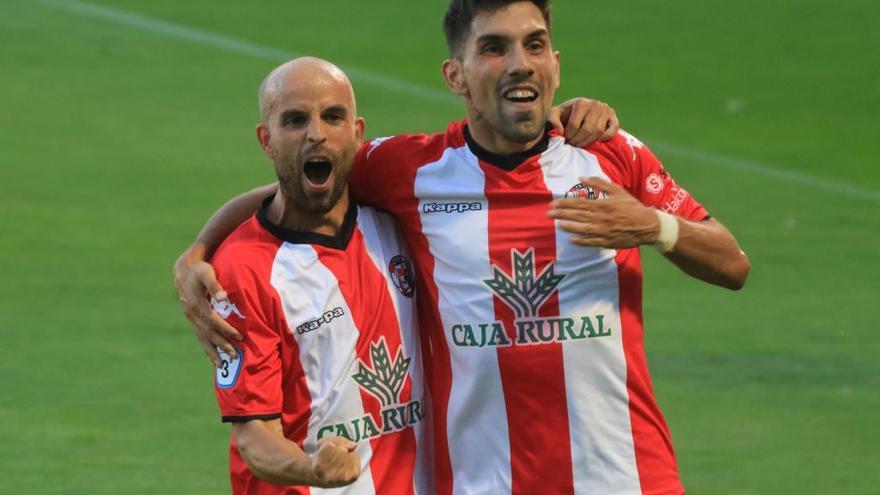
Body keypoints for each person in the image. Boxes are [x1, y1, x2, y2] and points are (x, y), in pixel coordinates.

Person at [176, 1, 750, 493]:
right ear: (456, 74)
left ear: (556, 63)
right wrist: (199, 251)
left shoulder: (611, 153)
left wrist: (654, 227)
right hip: (481, 481)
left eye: (535, 44)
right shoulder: (412, 170)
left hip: (626, 477)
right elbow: (298, 184)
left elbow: (732, 263)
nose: (520, 63)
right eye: (495, 48)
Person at [208, 57, 432, 494]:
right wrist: (313, 471)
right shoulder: (243, 271)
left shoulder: (400, 220)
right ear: (266, 139)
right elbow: (254, 437)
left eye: (333, 116)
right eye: (294, 120)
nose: (316, 133)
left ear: (357, 132)